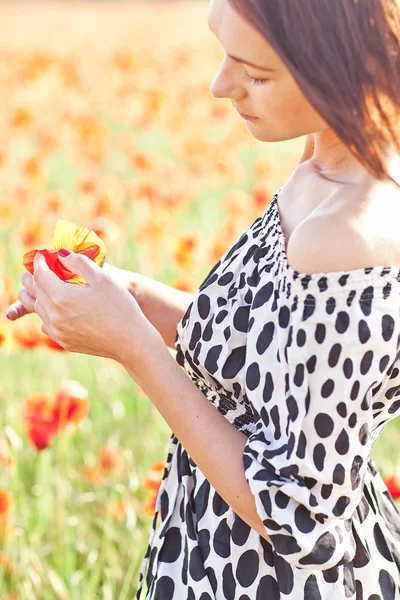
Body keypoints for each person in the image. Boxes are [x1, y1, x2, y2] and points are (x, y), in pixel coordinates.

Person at [6, 0, 400, 597]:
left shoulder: (345, 235)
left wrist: (133, 345)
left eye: (256, 74)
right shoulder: (323, 162)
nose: (221, 87)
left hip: (268, 578)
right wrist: (126, 296)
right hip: (215, 543)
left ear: (338, 67)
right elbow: (265, 353)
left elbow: (299, 519)